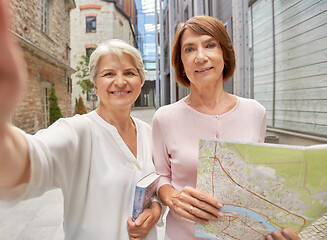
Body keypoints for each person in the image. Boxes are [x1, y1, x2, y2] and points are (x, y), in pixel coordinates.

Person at [0, 2, 162, 238]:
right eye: (108, 74)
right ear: (95, 85)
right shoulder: (76, 131)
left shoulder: (148, 132)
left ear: (140, 80)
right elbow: (30, 161)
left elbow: (153, 189)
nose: (120, 81)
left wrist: (156, 210)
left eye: (129, 72)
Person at [152, 16, 301, 240]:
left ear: (225, 54)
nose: (200, 57)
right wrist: (171, 197)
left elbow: (256, 179)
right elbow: (161, 175)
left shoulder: (255, 112)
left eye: (210, 45)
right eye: (190, 49)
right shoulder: (164, 118)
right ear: (181, 62)